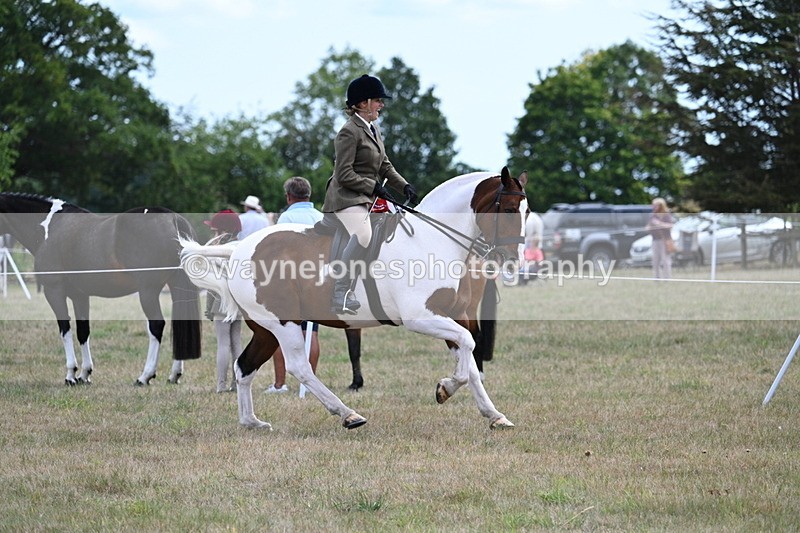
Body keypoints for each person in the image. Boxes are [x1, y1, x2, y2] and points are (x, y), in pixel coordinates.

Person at [322, 74, 418, 315]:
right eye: (377, 100)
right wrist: (373, 186)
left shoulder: (373, 129)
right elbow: (343, 174)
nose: (381, 105)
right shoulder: (348, 132)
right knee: (364, 233)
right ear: (362, 103)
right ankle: (340, 291)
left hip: (366, 196)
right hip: (345, 197)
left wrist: (404, 185)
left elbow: (385, 165)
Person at [265, 177, 324, 394]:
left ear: (289, 196)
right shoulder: (320, 217)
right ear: (309, 195)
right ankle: (310, 385)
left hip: (290, 282)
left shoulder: (286, 218)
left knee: (282, 333)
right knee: (312, 333)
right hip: (316, 282)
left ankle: (280, 384)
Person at [203, 209, 243, 393]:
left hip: (221, 300)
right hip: (238, 300)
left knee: (223, 344)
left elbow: (212, 283)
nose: (213, 234)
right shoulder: (242, 247)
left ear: (223, 231)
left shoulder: (216, 251)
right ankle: (237, 382)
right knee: (236, 342)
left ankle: (221, 385)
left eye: (215, 230)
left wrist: (208, 309)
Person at [647, 197, 675, 279]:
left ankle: (667, 278)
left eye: (656, 205)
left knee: (665, 260)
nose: (654, 207)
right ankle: (656, 278)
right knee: (655, 261)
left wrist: (659, 223)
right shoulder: (653, 215)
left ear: (661, 206)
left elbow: (670, 225)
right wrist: (650, 227)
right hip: (655, 240)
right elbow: (648, 227)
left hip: (665, 240)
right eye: (653, 205)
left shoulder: (666, 215)